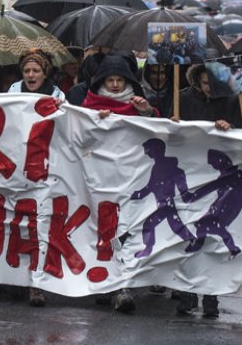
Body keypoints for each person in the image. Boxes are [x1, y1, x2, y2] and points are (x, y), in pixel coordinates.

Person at [81, 54, 156, 313]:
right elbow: (76, 134)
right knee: (101, 231)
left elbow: (159, 131)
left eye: (119, 80)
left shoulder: (139, 105)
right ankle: (103, 283)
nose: (114, 85)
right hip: (98, 180)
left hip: (131, 178)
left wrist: (147, 112)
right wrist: (92, 121)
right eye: (110, 79)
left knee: (124, 231)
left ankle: (122, 286)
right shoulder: (89, 105)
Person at [173, 63, 242, 318]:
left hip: (219, 178)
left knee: (211, 238)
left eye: (213, 84)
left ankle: (211, 295)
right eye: (204, 83)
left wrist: (232, 128)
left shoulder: (232, 100)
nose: (209, 89)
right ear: (196, 81)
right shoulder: (181, 99)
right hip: (191, 173)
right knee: (188, 234)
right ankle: (187, 292)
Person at [0, 49, 64, 307]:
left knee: (40, 225)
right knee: (14, 222)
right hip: (16, 168)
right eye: (27, 71)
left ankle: (36, 284)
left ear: (44, 72)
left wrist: (62, 110)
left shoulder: (58, 95)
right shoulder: (13, 92)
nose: (31, 75)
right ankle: (13, 278)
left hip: (45, 169)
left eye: (36, 70)